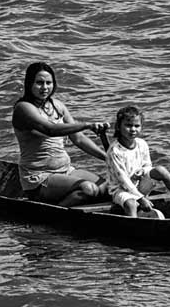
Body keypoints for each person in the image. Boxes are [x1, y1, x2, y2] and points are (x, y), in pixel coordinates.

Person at [11, 62, 109, 207]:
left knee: (106, 188)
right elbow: (50, 129)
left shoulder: (57, 106)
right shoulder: (23, 108)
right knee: (88, 189)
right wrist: (87, 125)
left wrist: (107, 158)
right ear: (29, 84)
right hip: (39, 177)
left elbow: (79, 139)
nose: (44, 87)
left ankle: (66, 202)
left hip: (66, 171)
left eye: (48, 83)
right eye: (39, 83)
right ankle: (51, 215)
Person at [104, 105, 170, 218]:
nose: (133, 129)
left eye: (137, 126)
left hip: (139, 184)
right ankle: (135, 228)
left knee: (161, 170)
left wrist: (142, 171)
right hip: (120, 190)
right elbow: (123, 180)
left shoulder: (142, 144)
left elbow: (147, 165)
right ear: (118, 127)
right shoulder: (114, 151)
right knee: (131, 204)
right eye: (128, 125)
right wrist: (140, 199)